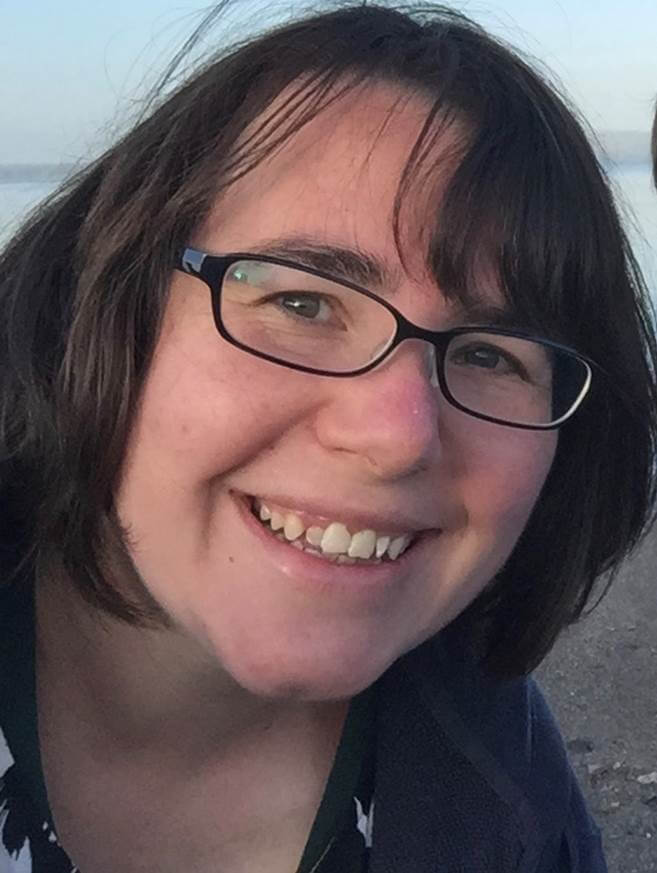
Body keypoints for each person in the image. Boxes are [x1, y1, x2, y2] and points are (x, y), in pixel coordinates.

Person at [1, 4, 656, 872]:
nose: (395, 435)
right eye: (302, 302)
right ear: (108, 305)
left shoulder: (511, 801)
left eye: (491, 354)